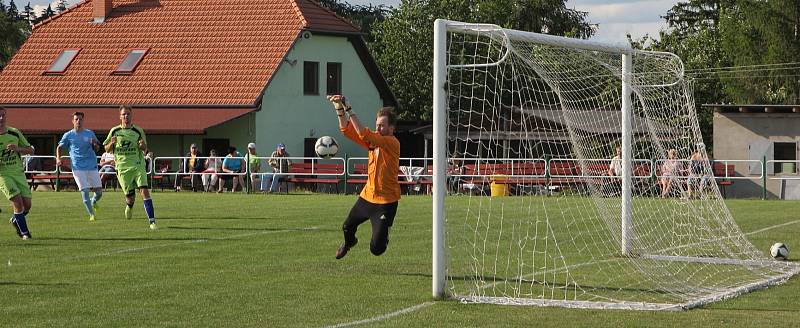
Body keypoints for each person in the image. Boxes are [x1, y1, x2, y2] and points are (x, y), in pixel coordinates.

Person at [328, 95, 400, 259]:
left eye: (382, 126)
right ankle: (349, 242)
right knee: (347, 227)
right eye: (377, 125)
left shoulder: (392, 142)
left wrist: (349, 108)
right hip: (367, 197)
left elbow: (363, 133)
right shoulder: (374, 141)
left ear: (391, 128)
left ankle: (384, 235)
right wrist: (339, 108)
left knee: (377, 249)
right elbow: (346, 130)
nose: (378, 129)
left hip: (386, 203)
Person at [103, 105, 157, 229]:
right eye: (124, 114)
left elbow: (145, 149)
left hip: (137, 165)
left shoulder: (138, 131)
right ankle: (130, 206)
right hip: (122, 168)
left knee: (144, 191)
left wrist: (143, 146)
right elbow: (106, 148)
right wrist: (112, 143)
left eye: (128, 114)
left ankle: (152, 221)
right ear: (120, 116)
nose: (126, 116)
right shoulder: (115, 131)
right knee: (130, 197)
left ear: (131, 116)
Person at [56, 112, 104, 221]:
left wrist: (94, 145)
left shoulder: (90, 133)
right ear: (73, 121)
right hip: (78, 167)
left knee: (99, 192)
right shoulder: (68, 135)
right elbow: (59, 147)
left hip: (91, 165)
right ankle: (92, 214)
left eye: (80, 119)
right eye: (76, 119)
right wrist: (58, 159)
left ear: (83, 120)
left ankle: (94, 201)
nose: (78, 121)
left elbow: (97, 148)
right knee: (85, 191)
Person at [0, 106, 35, 240]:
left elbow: (31, 150)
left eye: (3, 115)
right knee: (17, 202)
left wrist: (18, 149)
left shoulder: (14, 132)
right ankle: (25, 233)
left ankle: (16, 220)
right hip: (3, 175)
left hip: (18, 173)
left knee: (27, 205)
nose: (1, 118)